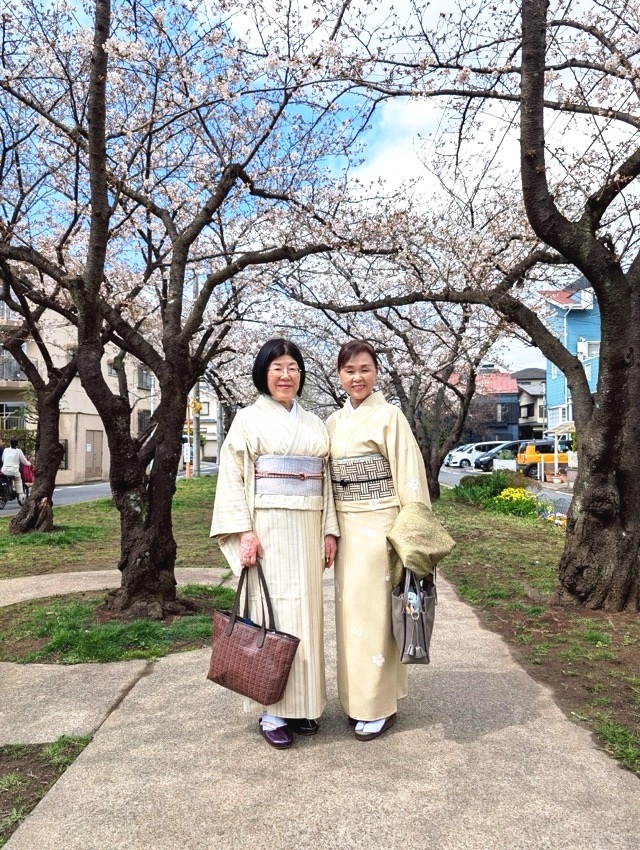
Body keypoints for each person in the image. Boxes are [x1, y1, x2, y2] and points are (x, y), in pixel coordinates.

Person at [210, 339, 339, 750]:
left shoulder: (315, 423)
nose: (286, 375)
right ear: (263, 373)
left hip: (307, 527)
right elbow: (231, 477)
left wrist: (329, 530)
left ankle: (302, 706)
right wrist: (243, 531)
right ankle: (272, 710)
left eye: (293, 368)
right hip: (266, 529)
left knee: (307, 615)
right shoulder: (248, 420)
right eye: (277, 367)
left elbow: (327, 482)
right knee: (272, 614)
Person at [326, 340, 431, 741]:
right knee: (351, 618)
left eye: (365, 369)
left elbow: (410, 477)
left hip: (382, 527)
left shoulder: (390, 417)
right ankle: (357, 700)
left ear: (376, 373)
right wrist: (329, 529)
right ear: (340, 375)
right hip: (348, 530)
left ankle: (379, 704)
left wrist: (410, 538)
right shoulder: (334, 423)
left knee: (378, 619)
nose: (358, 377)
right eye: (350, 370)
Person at [1, 438, 32, 505]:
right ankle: (20, 495)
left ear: (10, 443)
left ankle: (7, 491)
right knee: (18, 480)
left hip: (4, 470)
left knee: (6, 480)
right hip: (14, 470)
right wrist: (30, 464)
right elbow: (23, 461)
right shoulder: (18, 451)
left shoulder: (6, 450)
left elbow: (3, 459)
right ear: (17, 444)